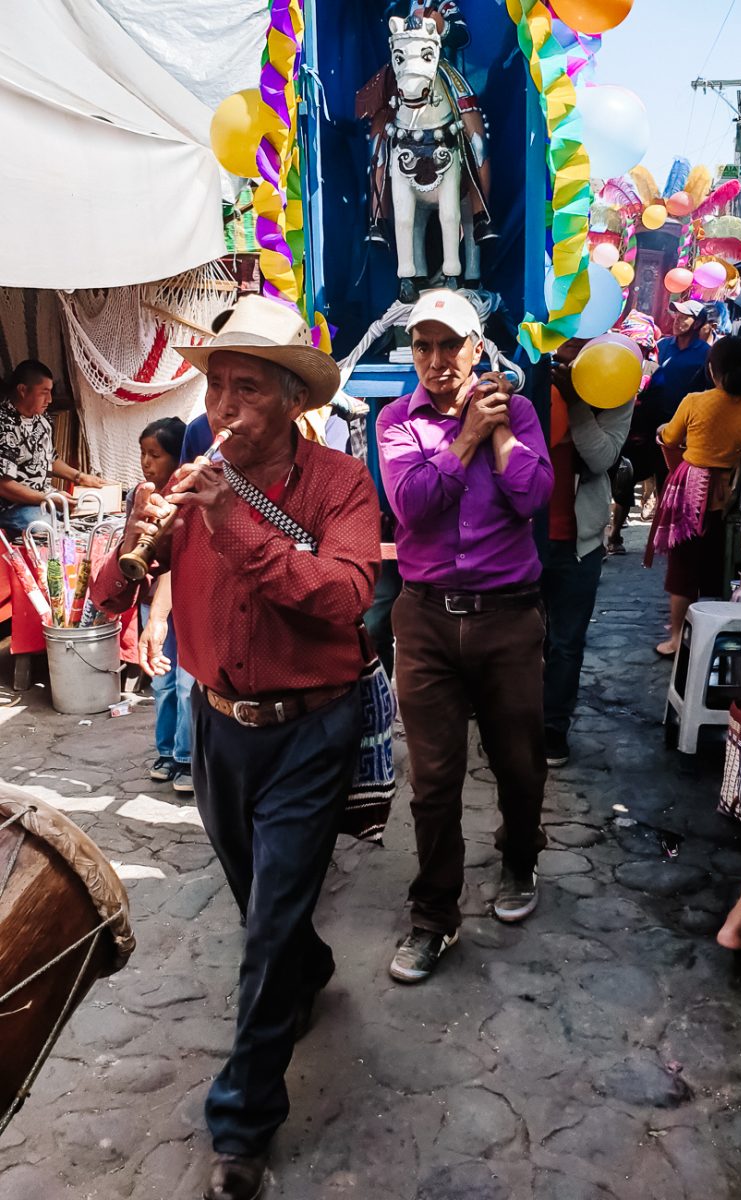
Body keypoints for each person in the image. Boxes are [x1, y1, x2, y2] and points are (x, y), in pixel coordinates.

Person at [91, 294, 380, 1200]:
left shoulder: (341, 484)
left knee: (262, 931)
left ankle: (243, 1126)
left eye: (245, 388)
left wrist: (233, 525)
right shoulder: (188, 473)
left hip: (310, 731)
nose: (221, 409)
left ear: (293, 400)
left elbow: (341, 599)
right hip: (220, 726)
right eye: (215, 387)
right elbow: (108, 602)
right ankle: (312, 965)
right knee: (266, 902)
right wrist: (135, 541)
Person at [377, 289, 553, 984]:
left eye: (450, 344)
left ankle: (519, 858)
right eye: (423, 346)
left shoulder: (523, 412)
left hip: (508, 616)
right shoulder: (397, 421)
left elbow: (532, 498)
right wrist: (468, 438)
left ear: (478, 350)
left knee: (518, 760)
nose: (436, 359)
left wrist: (501, 427)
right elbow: (413, 506)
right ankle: (433, 917)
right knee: (434, 780)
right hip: (424, 621)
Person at [543, 341, 633, 767]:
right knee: (518, 641)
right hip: (524, 535)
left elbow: (601, 459)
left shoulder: (615, 377)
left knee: (565, 643)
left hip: (580, 543)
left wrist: (579, 403)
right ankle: (513, 724)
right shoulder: (531, 373)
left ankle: (552, 729)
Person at [358, 3, 495, 249]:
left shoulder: (444, 4)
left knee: (476, 136)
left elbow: (462, 35)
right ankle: (378, 217)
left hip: (436, 70)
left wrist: (444, 26)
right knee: (377, 133)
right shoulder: (396, 5)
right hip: (402, 72)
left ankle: (480, 213)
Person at [649, 335, 741, 657]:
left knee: (683, 568)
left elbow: (670, 436)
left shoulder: (695, 401)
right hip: (734, 494)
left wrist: (663, 431)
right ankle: (726, 631)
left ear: (711, 370)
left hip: (692, 493)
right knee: (730, 566)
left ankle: (678, 638)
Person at [608, 305, 708, 553]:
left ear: (697, 323)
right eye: (677, 315)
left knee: (670, 484)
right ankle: (615, 535)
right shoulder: (663, 347)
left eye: (685, 316)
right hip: (646, 426)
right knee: (625, 478)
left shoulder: (706, 353)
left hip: (682, 429)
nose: (678, 320)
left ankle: (667, 537)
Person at [132, 417, 194, 794]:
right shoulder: (138, 495)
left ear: (179, 456)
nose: (146, 462)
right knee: (162, 681)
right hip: (152, 599)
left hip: (185, 603)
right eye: (143, 453)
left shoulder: (188, 501)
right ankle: (167, 752)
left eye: (155, 454)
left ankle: (187, 756)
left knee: (188, 684)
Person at [0, 359, 103, 535]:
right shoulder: (5, 424)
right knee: (47, 527)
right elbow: (3, 485)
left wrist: (80, 477)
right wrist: (48, 499)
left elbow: (50, 458)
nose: (49, 399)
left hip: (43, 498)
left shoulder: (42, 420)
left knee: (90, 517)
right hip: (12, 507)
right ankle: (53, 563)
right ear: (23, 390)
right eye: (44, 392)